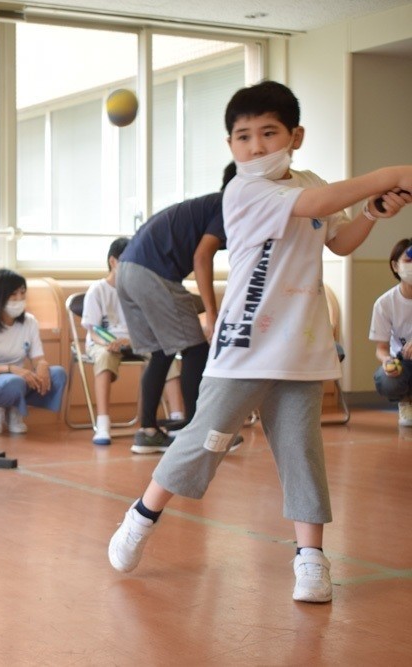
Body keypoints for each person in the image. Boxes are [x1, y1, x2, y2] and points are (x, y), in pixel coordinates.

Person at [107, 80, 412, 604]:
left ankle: (310, 558)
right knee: (206, 437)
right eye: (243, 137)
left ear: (295, 135)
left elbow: (336, 240)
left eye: (268, 133)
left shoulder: (309, 180)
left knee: (301, 449)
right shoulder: (244, 190)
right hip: (246, 343)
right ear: (231, 146)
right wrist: (389, 174)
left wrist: (370, 213)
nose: (255, 147)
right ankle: (142, 514)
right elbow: (314, 202)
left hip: (302, 343)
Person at [116, 164, 237, 454]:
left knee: (159, 353)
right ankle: (198, 431)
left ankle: (147, 431)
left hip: (127, 270)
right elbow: (202, 257)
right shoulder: (227, 205)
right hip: (152, 272)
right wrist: (211, 312)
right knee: (196, 349)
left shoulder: (206, 205)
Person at [82, 237, 184, 446]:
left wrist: (130, 340)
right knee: (104, 357)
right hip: (105, 343)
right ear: (113, 262)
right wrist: (108, 343)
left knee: (167, 357)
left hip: (136, 340)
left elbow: (149, 326)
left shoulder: (139, 289)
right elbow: (93, 332)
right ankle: (102, 423)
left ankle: (177, 421)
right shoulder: (97, 290)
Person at [0, 269, 68, 434]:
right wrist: (11, 369)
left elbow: (38, 358)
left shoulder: (29, 322)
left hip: (18, 380)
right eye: (13, 294)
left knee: (57, 374)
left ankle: (15, 409)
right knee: (14, 382)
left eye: (22, 293)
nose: (19, 299)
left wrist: (42, 365)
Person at [369, 237, 412, 426]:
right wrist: (387, 361)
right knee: (386, 380)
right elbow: (381, 348)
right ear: (395, 266)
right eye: (408, 260)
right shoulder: (385, 303)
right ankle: (406, 402)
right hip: (403, 363)